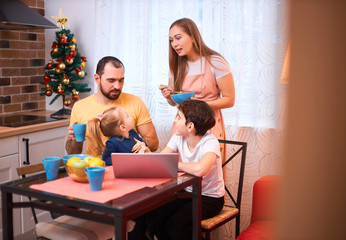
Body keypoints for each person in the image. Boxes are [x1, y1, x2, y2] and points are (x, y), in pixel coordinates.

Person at [130, 100, 225, 240]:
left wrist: (174, 163)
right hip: (186, 192)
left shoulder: (210, 142)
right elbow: (162, 161)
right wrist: (148, 154)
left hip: (210, 198)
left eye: (178, 117)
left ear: (190, 126)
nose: (175, 120)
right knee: (151, 217)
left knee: (176, 225)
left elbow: (200, 170)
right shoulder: (178, 137)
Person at [159, 17, 235, 163]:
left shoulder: (215, 62)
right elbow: (175, 103)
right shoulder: (176, 66)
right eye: (171, 40)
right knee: (179, 176)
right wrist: (169, 96)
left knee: (205, 173)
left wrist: (201, 103)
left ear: (193, 37)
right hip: (181, 126)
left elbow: (230, 100)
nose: (174, 44)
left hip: (207, 124)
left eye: (178, 38)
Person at [66, 56, 159, 158]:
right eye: (111, 80)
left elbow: (154, 144)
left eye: (121, 80)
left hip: (130, 169)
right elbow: (73, 152)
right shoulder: (80, 107)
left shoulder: (135, 102)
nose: (117, 86)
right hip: (96, 169)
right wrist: (74, 139)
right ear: (97, 79)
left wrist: (141, 145)